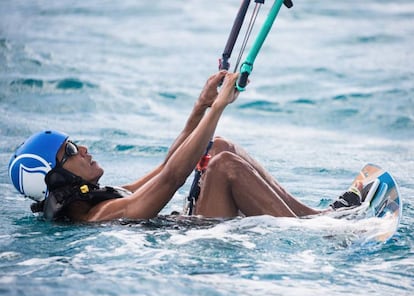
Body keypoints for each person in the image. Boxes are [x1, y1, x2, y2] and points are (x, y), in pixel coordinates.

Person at [8, 71, 362, 222]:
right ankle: (324, 234)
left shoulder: (104, 196)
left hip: (193, 225)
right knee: (223, 165)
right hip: (201, 240)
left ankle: (317, 218)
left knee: (218, 144)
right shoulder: (100, 216)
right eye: (69, 152)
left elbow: (165, 168)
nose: (82, 149)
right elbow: (172, 179)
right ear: (55, 181)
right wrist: (220, 107)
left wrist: (202, 104)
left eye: (74, 144)